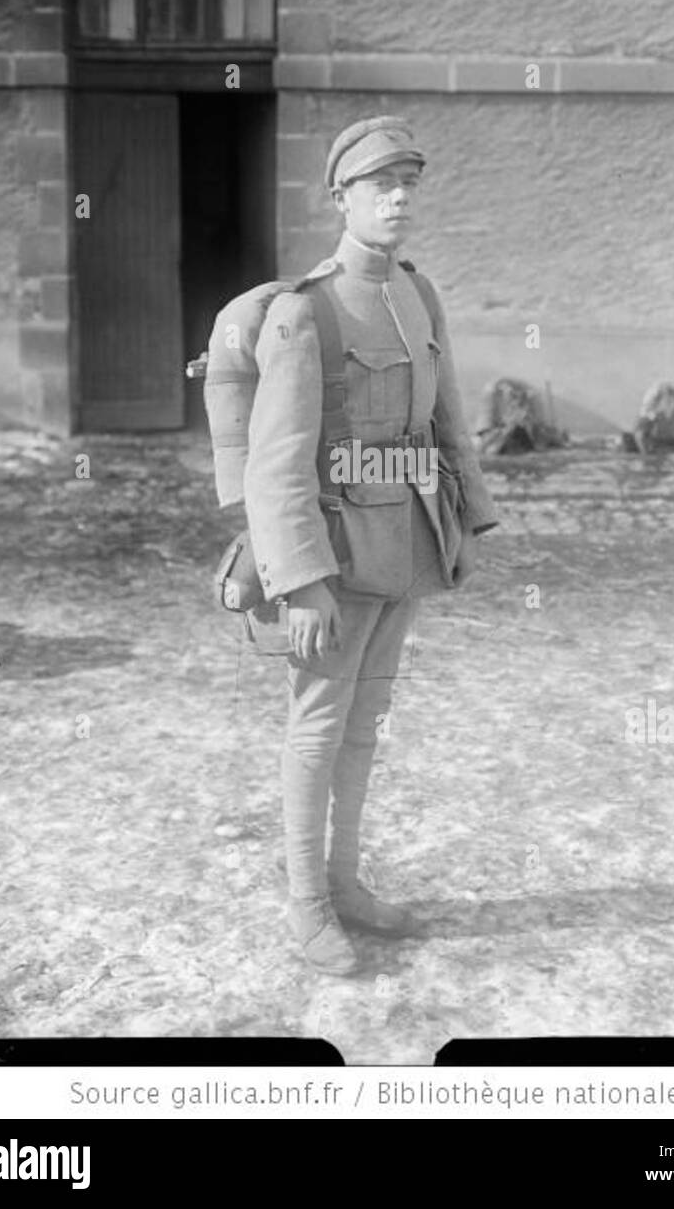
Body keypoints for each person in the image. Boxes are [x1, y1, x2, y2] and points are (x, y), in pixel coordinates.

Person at [243, 116, 499, 974]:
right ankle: (307, 905)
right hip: (335, 554)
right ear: (340, 198)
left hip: (407, 546)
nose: (397, 199)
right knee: (315, 729)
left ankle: (346, 883)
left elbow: (446, 419)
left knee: (365, 725)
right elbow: (275, 464)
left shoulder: (418, 296)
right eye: (378, 185)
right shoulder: (303, 313)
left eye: (408, 184)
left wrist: (465, 521)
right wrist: (301, 581)